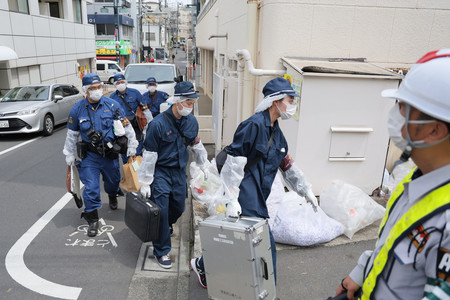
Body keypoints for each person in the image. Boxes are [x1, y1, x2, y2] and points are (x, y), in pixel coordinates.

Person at [335, 49, 450, 300]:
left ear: (434, 131)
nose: (395, 116)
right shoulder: (415, 179)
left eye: (404, 109)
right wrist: (361, 271)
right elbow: (393, 243)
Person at [190, 77, 319, 288]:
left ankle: (203, 264)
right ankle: (268, 290)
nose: (293, 105)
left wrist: (306, 190)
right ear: (276, 101)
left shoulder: (276, 131)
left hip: (258, 194)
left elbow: (285, 163)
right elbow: (234, 163)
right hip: (244, 194)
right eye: (290, 99)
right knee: (265, 244)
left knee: (236, 238)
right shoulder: (253, 125)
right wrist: (232, 199)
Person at [137, 81, 208, 269]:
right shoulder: (158, 125)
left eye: (192, 104)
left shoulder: (191, 121)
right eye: (189, 103)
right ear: (177, 101)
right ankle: (161, 250)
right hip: (160, 172)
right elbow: (150, 156)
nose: (191, 108)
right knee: (162, 209)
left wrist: (204, 166)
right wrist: (145, 182)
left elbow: (195, 143)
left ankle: (164, 225)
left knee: (178, 207)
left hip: (178, 171)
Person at [63, 73, 138, 236]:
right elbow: (72, 135)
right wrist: (69, 153)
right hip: (90, 156)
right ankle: (92, 219)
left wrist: (133, 144)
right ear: (85, 91)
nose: (97, 91)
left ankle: (112, 194)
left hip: (110, 153)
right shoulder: (77, 110)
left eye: (99, 87)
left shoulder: (112, 105)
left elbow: (127, 126)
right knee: (91, 187)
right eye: (92, 88)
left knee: (113, 181)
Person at [110, 74, 152, 162]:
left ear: (125, 83)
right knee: (125, 152)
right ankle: (128, 174)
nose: (120, 84)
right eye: (118, 82)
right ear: (115, 85)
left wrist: (150, 123)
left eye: (122, 82)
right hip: (122, 128)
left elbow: (144, 108)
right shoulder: (112, 97)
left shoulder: (135, 93)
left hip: (136, 126)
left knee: (137, 152)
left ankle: (138, 173)